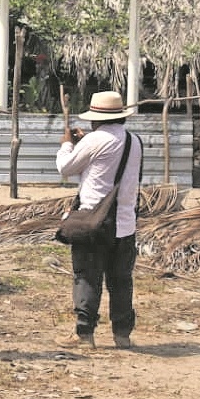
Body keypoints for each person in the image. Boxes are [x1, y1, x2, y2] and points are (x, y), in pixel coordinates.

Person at [55, 90, 143, 350]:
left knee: (87, 278)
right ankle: (122, 335)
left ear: (96, 119)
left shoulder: (94, 140)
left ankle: (85, 334)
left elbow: (65, 168)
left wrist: (67, 143)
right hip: (125, 222)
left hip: (93, 222)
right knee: (121, 281)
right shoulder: (134, 141)